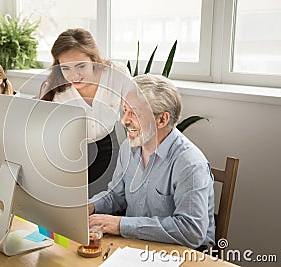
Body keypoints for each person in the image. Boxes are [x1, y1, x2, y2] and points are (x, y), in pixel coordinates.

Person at [88, 73, 215, 250]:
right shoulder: (128, 148)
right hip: (136, 245)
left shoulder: (190, 164)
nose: (124, 121)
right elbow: (116, 195)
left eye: (134, 113)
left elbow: (191, 231)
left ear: (162, 119)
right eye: (125, 110)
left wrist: (121, 225)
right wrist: (90, 206)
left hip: (184, 254)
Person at [39, 28, 133, 197]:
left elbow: (136, 111)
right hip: (71, 154)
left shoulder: (116, 73)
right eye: (65, 68)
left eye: (81, 66)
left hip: (108, 147)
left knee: (108, 203)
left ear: (94, 59)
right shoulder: (55, 90)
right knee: (75, 208)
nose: (74, 75)